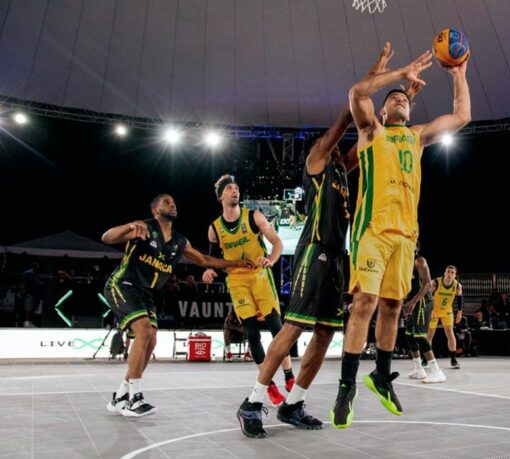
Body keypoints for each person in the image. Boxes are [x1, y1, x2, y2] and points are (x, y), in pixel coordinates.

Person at [332, 42, 471, 429]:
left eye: (404, 100)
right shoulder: (370, 130)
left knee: (393, 307)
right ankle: (346, 387)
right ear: (383, 109)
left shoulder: (418, 135)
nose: (399, 100)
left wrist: (458, 73)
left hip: (406, 237)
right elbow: (356, 93)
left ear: (410, 108)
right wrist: (400, 74)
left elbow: (462, 115)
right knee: (365, 302)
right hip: (372, 231)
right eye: (392, 98)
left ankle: (380, 374)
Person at [233, 95, 359, 438]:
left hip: (336, 257)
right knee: (293, 329)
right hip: (313, 251)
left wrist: (384, 116)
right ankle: (252, 403)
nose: (335, 148)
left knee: (325, 332)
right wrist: (355, 103)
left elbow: (366, 144)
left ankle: (293, 404)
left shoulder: (340, 173)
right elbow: (341, 129)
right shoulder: (316, 163)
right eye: (331, 143)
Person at [103, 194, 252, 417]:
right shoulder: (143, 227)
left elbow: (204, 261)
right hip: (123, 285)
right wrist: (128, 226)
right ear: (155, 211)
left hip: (146, 294)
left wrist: (237, 263)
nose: (172, 205)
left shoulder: (179, 242)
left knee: (151, 340)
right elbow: (107, 237)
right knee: (143, 332)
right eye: (166, 202)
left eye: (174, 202)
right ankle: (134, 398)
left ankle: (121, 394)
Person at [201, 175, 294, 408]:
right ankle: (269, 386)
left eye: (237, 188)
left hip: (260, 277)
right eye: (230, 188)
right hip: (237, 281)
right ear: (221, 196)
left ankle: (290, 377)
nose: (235, 191)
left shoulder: (253, 217)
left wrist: (271, 260)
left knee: (277, 329)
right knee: (251, 333)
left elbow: (278, 243)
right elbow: (213, 259)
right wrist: (209, 270)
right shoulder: (215, 229)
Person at [402, 243, 445, 383]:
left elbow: (427, 284)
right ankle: (419, 369)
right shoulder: (403, 262)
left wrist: (413, 302)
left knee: (420, 336)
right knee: (409, 335)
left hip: (422, 302)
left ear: (416, 247)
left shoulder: (419, 261)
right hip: (411, 303)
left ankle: (436, 371)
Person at [427, 266, 464, 370]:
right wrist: (430, 309)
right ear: (444, 273)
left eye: (452, 273)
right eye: (448, 272)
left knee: (450, 333)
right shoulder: (436, 282)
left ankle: (453, 359)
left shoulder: (457, 285)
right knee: (430, 334)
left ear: (455, 275)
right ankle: (426, 359)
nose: (450, 274)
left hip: (447, 311)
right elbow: (427, 295)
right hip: (434, 310)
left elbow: (460, 298)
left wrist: (460, 312)